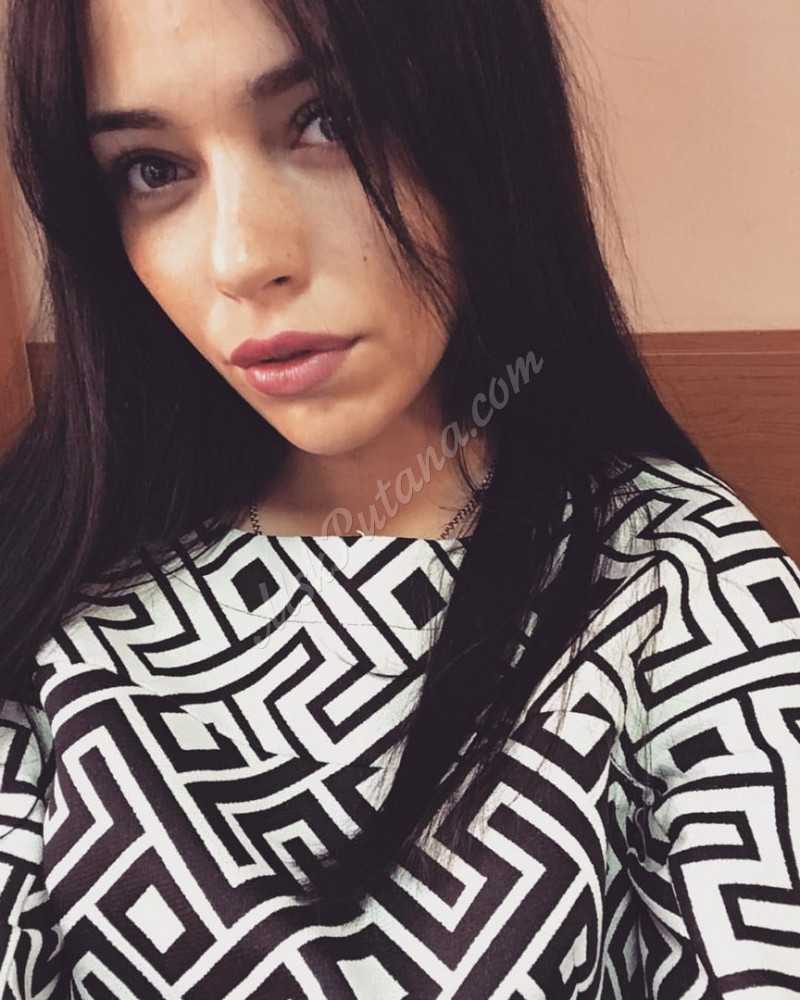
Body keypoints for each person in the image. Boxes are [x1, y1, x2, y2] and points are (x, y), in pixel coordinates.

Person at [0, 0, 798, 996]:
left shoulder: (677, 579)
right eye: (151, 169)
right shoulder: (46, 588)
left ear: (486, 114)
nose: (242, 259)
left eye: (328, 119)